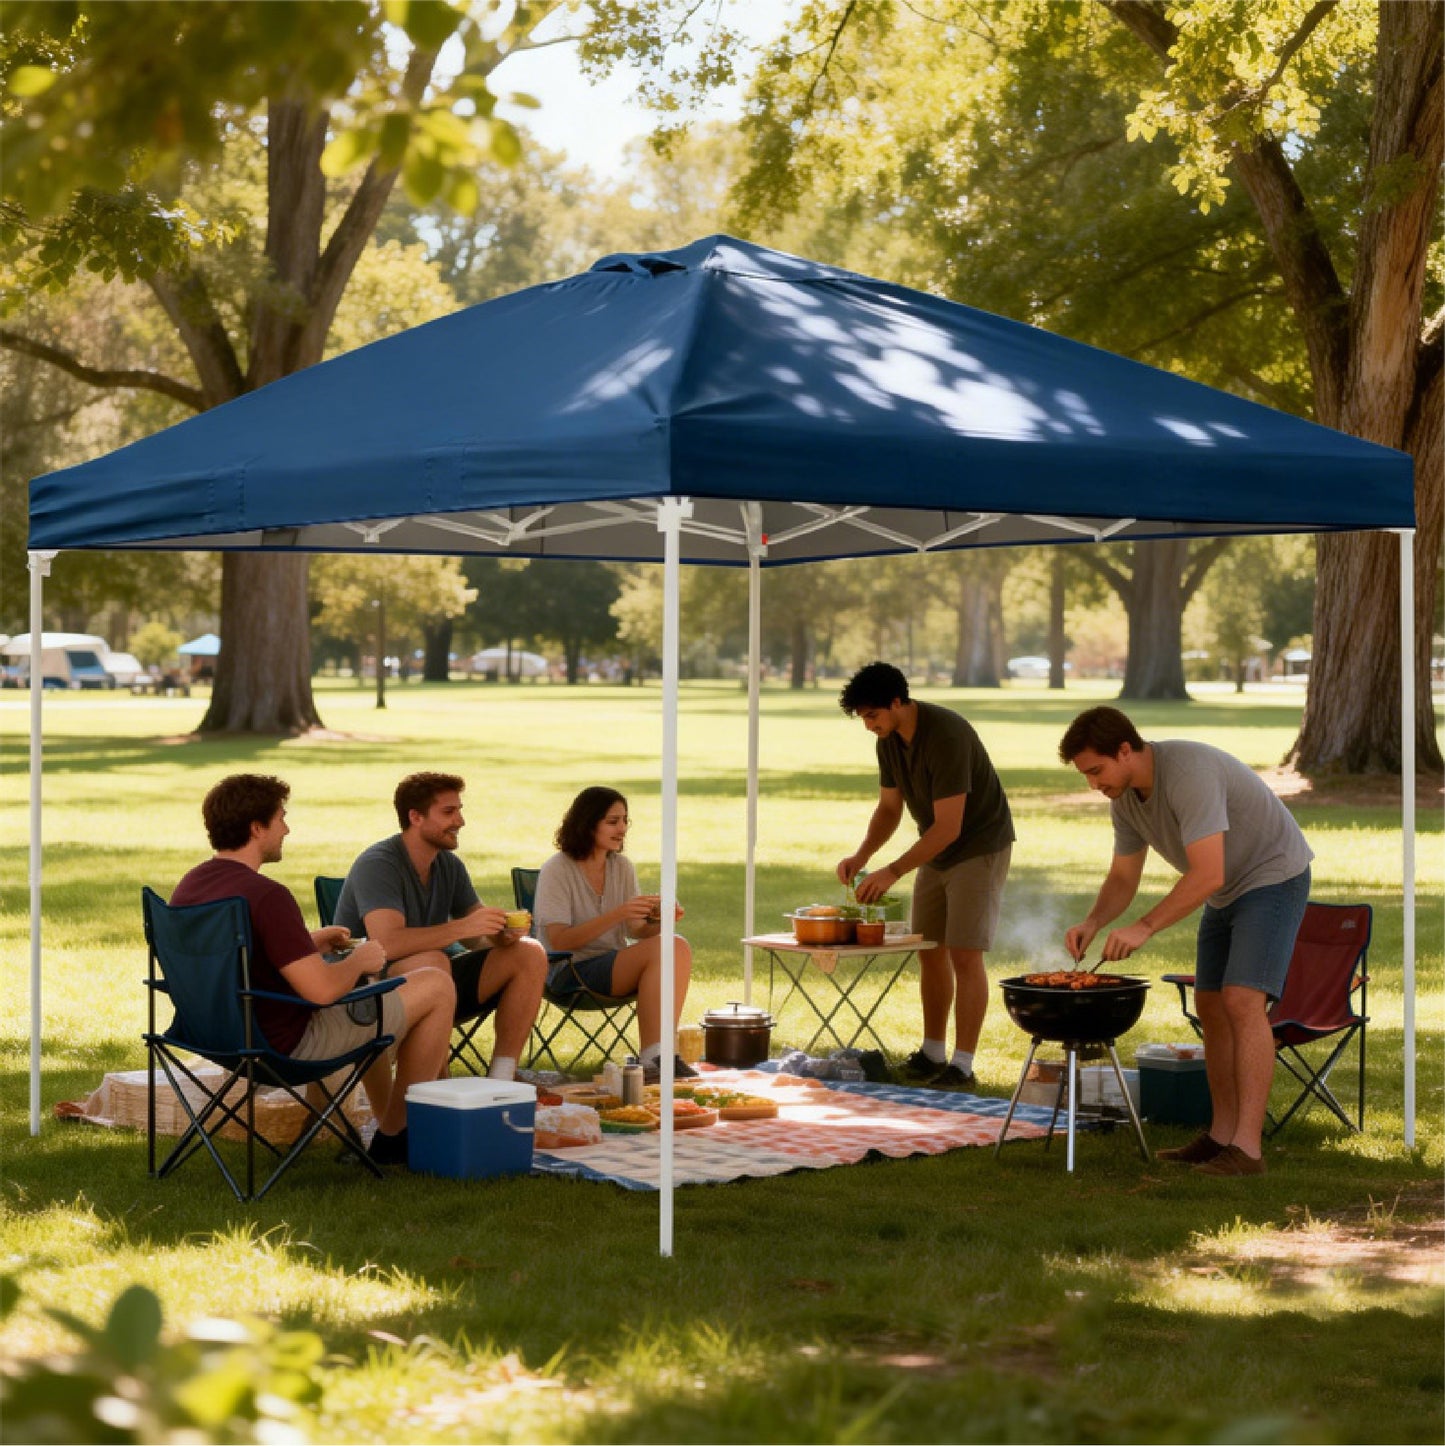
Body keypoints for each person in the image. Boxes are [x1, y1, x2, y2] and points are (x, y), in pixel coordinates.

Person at [1059, 706, 1313, 1178]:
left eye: (1096, 770)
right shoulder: (1124, 799)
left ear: (1125, 750)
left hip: (1272, 875)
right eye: (1085, 775)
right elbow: (1123, 877)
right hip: (1225, 890)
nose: (1093, 783)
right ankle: (1221, 1136)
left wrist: (1144, 927)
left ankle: (1247, 1150)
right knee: (1210, 1006)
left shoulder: (1188, 774)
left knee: (1242, 1001)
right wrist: (1093, 922)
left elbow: (1208, 872)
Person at [170, 774, 456, 1166]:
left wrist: (306, 942)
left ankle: (392, 1122)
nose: (287, 829)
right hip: (285, 1045)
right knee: (436, 985)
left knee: (383, 999)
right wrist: (360, 960)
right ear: (256, 828)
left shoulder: (191, 885)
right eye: (280, 818)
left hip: (213, 1035)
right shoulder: (268, 896)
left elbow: (231, 954)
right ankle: (395, 1135)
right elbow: (321, 992)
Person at [835, 661, 1014, 1089]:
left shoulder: (946, 735)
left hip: (978, 845)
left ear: (897, 702)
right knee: (930, 950)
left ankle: (963, 1065)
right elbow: (889, 809)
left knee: (965, 953)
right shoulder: (888, 741)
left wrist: (893, 871)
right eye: (863, 718)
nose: (868, 725)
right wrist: (862, 856)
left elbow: (950, 826)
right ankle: (933, 1054)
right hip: (935, 847)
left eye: (872, 715)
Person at [335, 772, 547, 1084]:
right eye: (449, 812)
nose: (460, 821)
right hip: (372, 992)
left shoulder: (448, 864)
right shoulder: (379, 863)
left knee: (529, 952)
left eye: (459, 810)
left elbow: (476, 938)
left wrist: (501, 935)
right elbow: (387, 944)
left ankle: (502, 1078)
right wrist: (462, 928)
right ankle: (436, 1088)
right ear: (415, 817)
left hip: (439, 980)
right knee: (432, 962)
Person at [533, 786, 696, 1081]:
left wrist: (663, 922)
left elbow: (636, 930)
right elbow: (559, 940)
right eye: (612, 821)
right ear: (587, 823)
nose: (622, 829)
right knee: (671, 946)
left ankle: (661, 1054)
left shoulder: (621, 867)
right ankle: (655, 1060)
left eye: (624, 821)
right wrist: (618, 913)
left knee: (676, 944)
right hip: (569, 969)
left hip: (611, 964)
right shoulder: (557, 869)